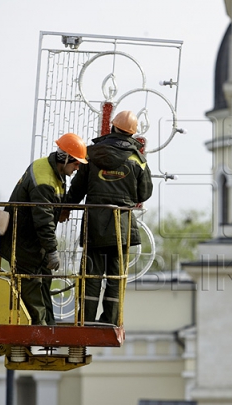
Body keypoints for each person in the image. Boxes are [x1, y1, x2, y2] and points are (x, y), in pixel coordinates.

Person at [66, 111, 153, 325]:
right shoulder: (137, 160)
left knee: (91, 274)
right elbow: (144, 193)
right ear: (132, 133)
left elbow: (77, 189)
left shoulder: (91, 155)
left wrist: (65, 207)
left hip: (94, 225)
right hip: (121, 227)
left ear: (113, 128)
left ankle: (85, 319)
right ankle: (110, 321)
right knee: (115, 276)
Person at [0, 133, 88, 326]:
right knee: (32, 283)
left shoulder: (52, 170)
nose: (77, 168)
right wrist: (52, 250)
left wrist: (61, 208)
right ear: (65, 158)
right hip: (22, 241)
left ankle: (49, 326)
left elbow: (47, 210)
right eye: (76, 163)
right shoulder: (45, 180)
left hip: (32, 240)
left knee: (45, 279)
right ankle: (40, 329)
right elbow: (43, 220)